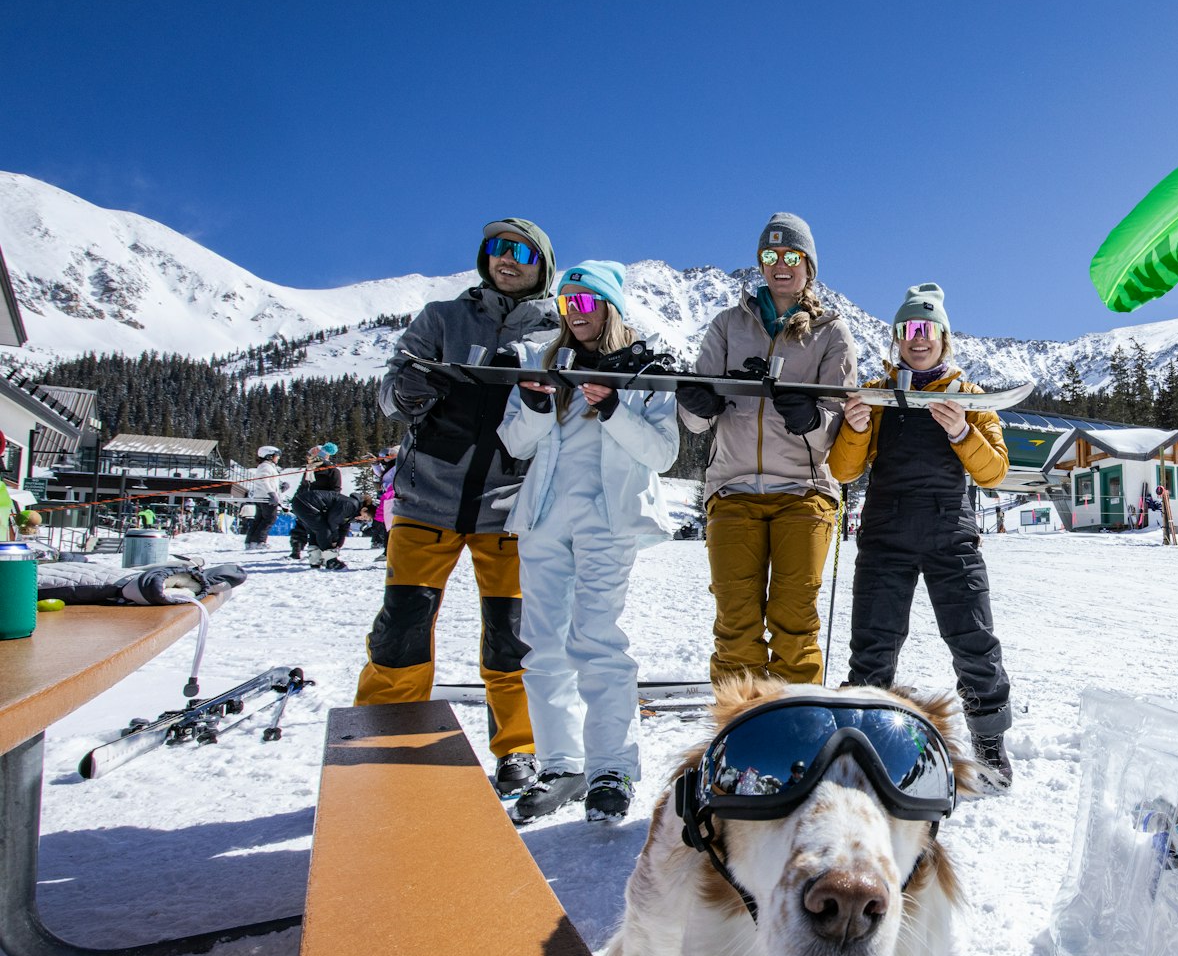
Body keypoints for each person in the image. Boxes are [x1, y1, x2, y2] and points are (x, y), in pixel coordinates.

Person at [355, 218, 556, 795]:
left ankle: (518, 747)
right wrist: (404, 394)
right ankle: (385, 733)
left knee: (511, 637)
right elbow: (391, 385)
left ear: (542, 263)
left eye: (520, 250)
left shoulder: (558, 329)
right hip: (426, 504)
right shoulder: (442, 318)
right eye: (495, 248)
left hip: (510, 512)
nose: (506, 259)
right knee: (402, 630)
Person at [500, 261, 680, 824]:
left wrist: (611, 408)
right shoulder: (545, 363)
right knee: (542, 641)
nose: (573, 315)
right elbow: (516, 443)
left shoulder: (648, 367)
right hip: (545, 515)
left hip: (608, 517)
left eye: (584, 303)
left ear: (609, 307)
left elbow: (662, 453)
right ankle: (560, 762)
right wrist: (531, 406)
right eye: (564, 305)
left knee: (597, 638)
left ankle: (611, 766)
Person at [830, 283, 1014, 789]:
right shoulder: (875, 393)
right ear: (896, 336)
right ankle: (864, 747)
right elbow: (844, 471)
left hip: (950, 533)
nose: (917, 338)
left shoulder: (969, 398)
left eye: (927, 329)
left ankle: (990, 745)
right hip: (884, 532)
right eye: (908, 329)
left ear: (943, 337)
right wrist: (856, 426)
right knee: (872, 646)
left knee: (974, 642)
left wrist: (961, 432)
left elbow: (994, 472)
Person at [676, 213, 857, 686]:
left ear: (808, 266)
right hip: (733, 489)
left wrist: (811, 419)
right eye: (771, 255)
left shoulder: (831, 332)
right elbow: (696, 421)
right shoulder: (726, 326)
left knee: (794, 623)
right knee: (736, 625)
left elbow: (842, 426)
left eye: (792, 256)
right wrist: (698, 401)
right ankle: (740, 737)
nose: (781, 264)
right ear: (760, 262)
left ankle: (798, 732)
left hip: (805, 490)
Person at [290, 465, 361, 570]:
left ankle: (315, 559)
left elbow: (343, 528)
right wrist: (333, 540)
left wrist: (337, 544)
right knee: (323, 530)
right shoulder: (349, 505)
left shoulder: (350, 508)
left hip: (308, 502)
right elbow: (333, 522)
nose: (362, 520)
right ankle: (330, 560)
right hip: (309, 503)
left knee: (315, 530)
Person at [243, 445, 286, 548]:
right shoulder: (266, 466)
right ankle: (259, 541)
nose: (278, 458)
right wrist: (271, 493)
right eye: (276, 456)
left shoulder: (266, 466)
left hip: (262, 496)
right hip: (266, 498)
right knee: (269, 519)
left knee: (259, 520)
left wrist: (280, 486)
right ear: (269, 456)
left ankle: (250, 542)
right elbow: (263, 480)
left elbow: (270, 481)